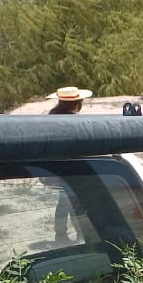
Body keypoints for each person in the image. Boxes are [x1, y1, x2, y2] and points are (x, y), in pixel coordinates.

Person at [45, 87, 94, 244]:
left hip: (55, 169)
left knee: (63, 203)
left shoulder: (50, 118)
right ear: (77, 102)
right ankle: (81, 235)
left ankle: (60, 235)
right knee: (76, 205)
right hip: (73, 170)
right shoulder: (76, 122)